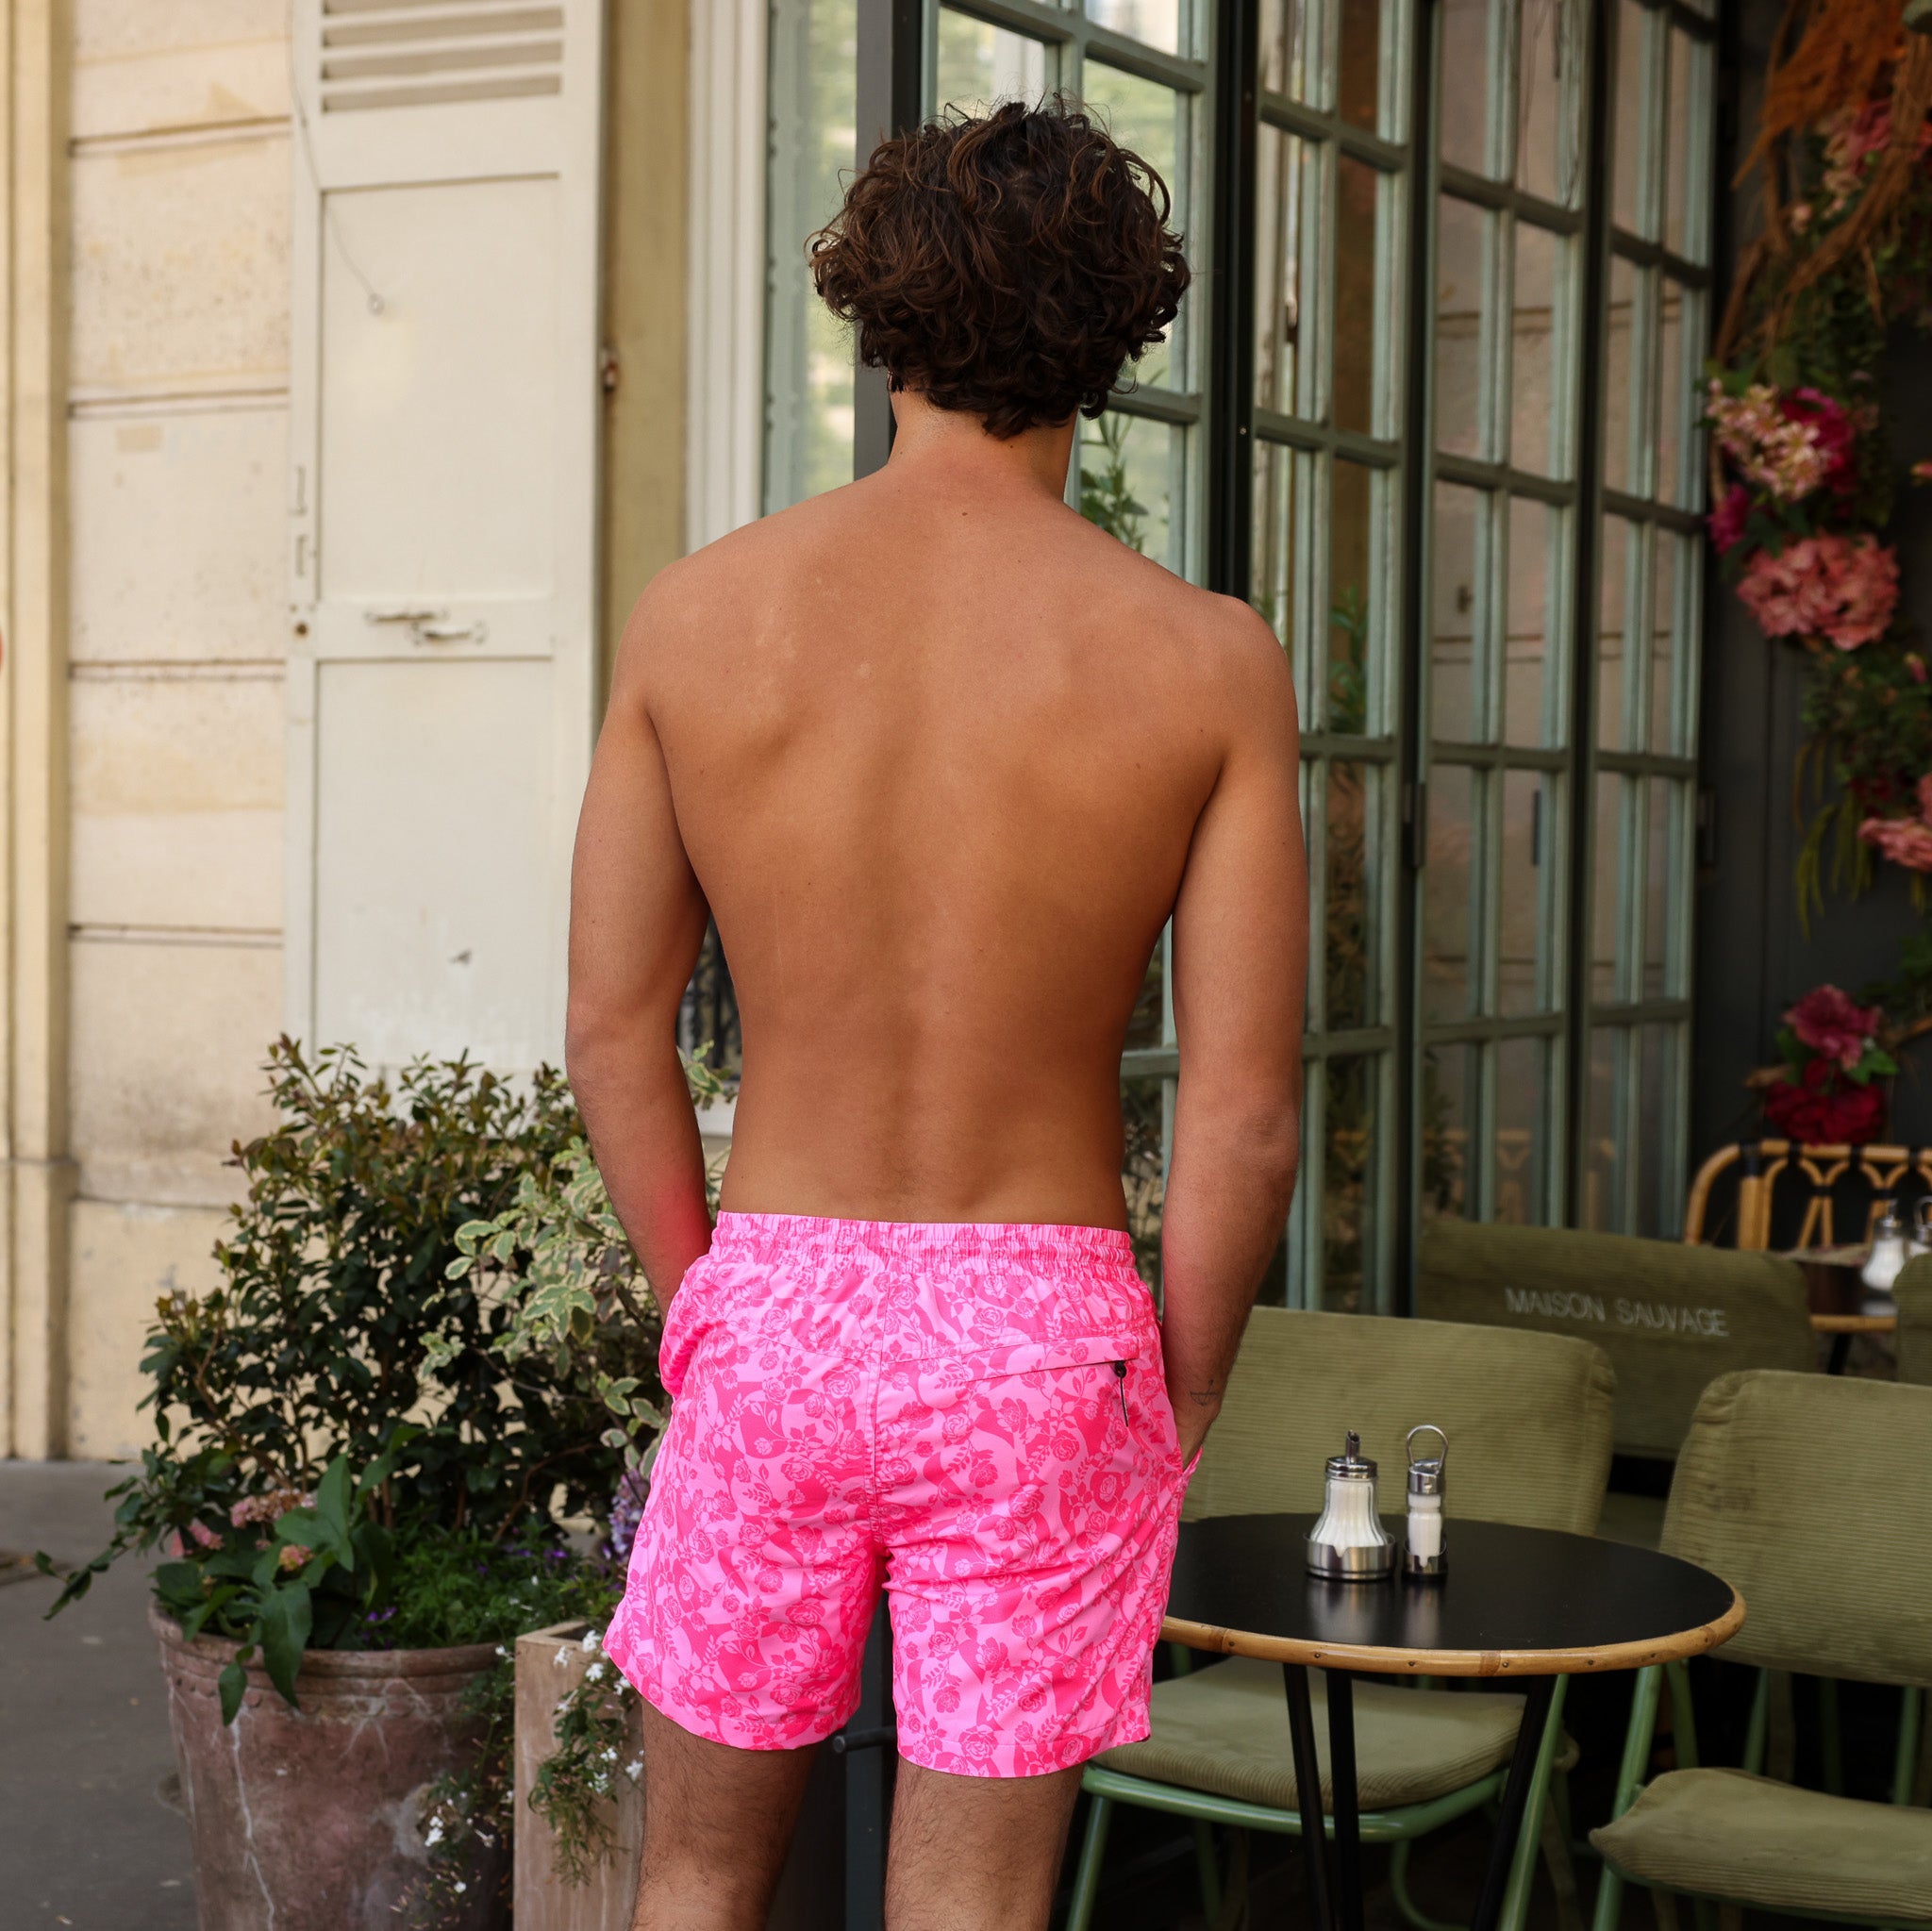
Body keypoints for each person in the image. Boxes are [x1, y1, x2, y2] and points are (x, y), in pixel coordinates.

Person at [567, 97, 1307, 1931]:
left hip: (777, 1308)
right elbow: (1242, 1110)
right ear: (1114, 337)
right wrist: (1183, 1382)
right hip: (1042, 1336)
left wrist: (705, 1306)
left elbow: (613, 1030)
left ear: (874, 316)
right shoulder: (1203, 659)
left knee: (694, 1881)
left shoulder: (696, 618)